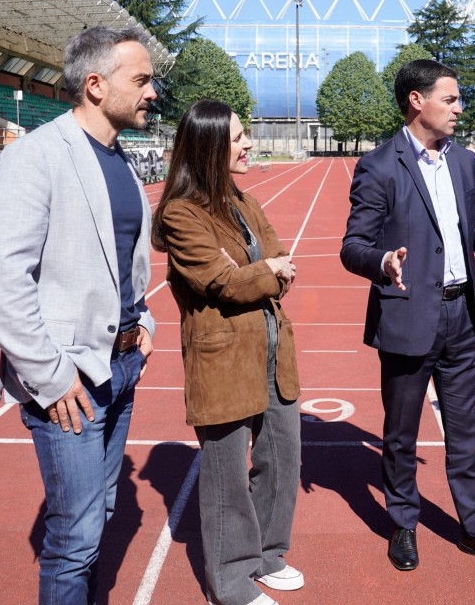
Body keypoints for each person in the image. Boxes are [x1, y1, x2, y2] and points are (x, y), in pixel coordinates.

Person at [340, 59, 475, 574]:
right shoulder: (379, 166)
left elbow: (471, 228)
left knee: (466, 433)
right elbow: (353, 246)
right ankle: (403, 523)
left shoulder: (464, 162)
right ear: (417, 101)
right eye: (451, 98)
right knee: (401, 435)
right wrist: (382, 261)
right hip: (407, 316)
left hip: (461, 315)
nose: (460, 108)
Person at [0, 25, 158, 604]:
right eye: (142, 80)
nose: (153, 92)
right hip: (69, 381)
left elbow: (125, 263)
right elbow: (2, 279)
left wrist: (144, 322)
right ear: (96, 85)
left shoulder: (121, 162)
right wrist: (51, 377)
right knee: (75, 538)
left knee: (100, 517)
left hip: (120, 368)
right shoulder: (35, 157)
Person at [152, 100, 303, 605]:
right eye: (238, 137)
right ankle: (232, 582)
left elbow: (279, 259)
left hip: (273, 350)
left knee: (281, 460)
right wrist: (265, 272)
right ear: (210, 146)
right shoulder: (181, 214)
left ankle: (268, 555)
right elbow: (223, 284)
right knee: (227, 481)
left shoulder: (243, 201)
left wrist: (262, 271)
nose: (248, 144)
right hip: (222, 360)